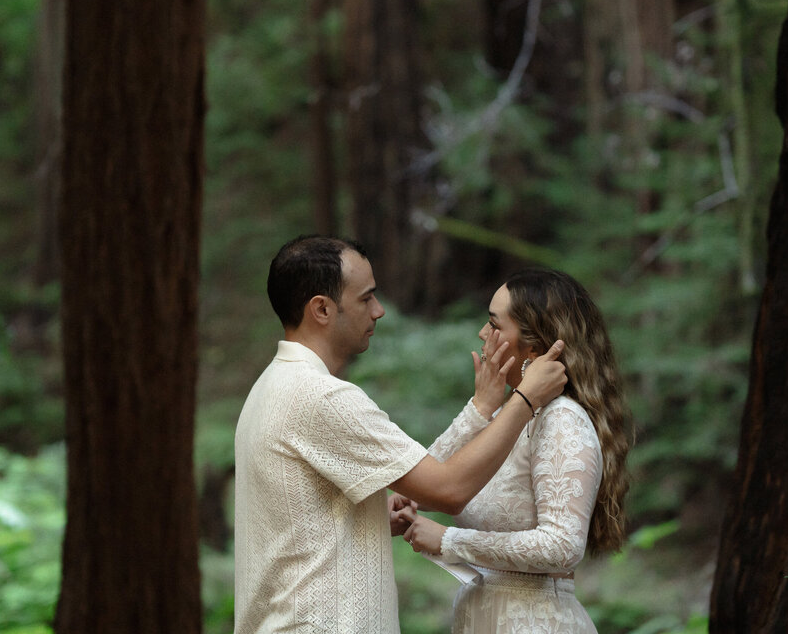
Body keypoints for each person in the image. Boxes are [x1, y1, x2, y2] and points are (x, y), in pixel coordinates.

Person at [233, 236, 569, 634]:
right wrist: (526, 399)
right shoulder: (321, 397)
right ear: (321, 309)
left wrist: (372, 516)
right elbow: (447, 489)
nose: (379, 311)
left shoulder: (273, 385)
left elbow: (302, 524)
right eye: (366, 298)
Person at [394, 267, 631, 633]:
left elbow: (562, 545)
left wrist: (450, 539)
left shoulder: (561, 419)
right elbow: (428, 484)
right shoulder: (511, 415)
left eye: (494, 324)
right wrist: (480, 408)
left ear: (533, 345)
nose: (482, 333)